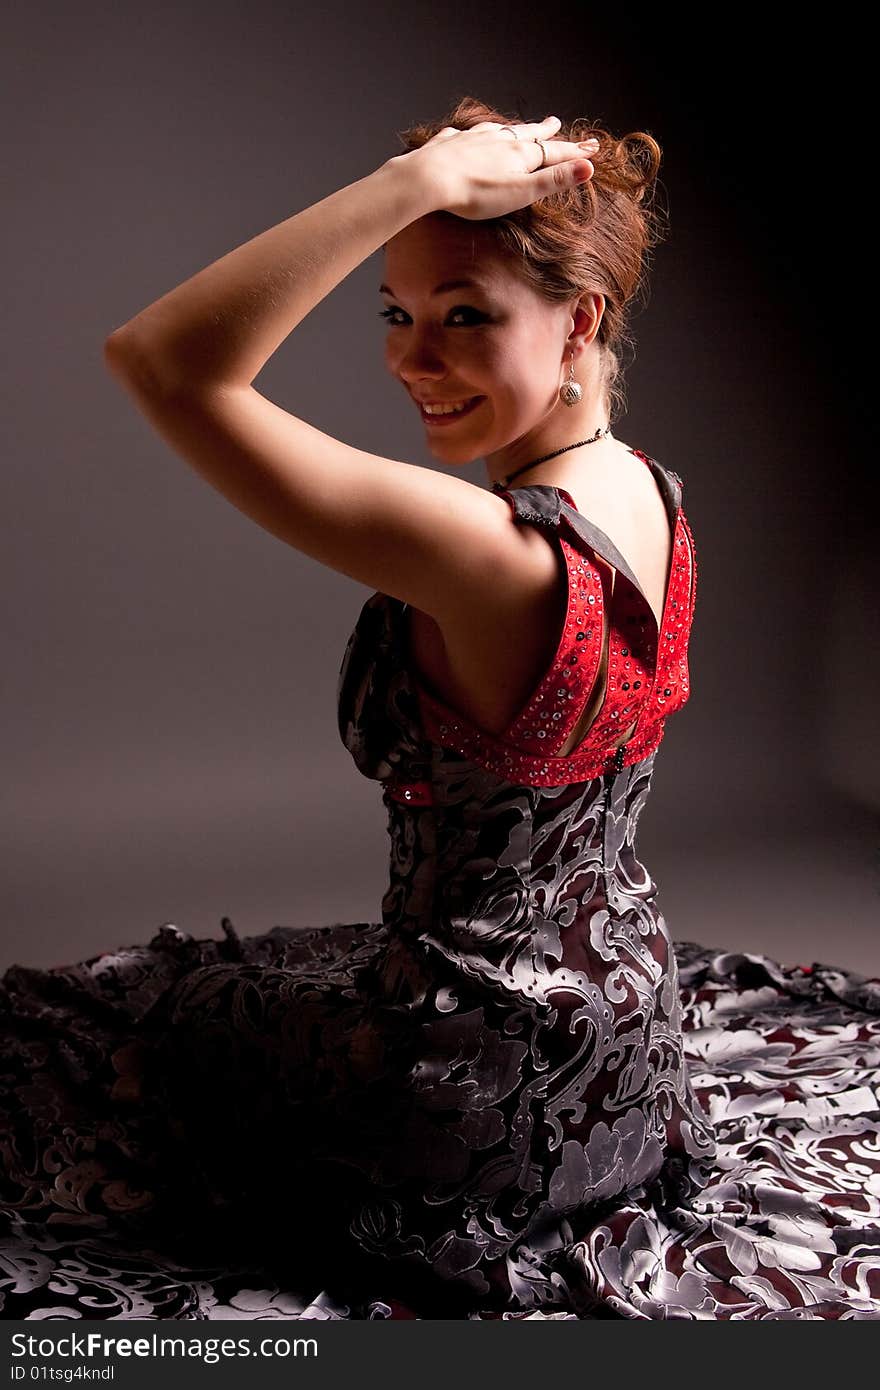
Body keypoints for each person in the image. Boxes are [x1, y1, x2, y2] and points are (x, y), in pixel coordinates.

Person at [2, 97, 878, 1322]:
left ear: (579, 321)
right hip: (625, 1046)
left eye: (466, 317)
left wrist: (400, 189)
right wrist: (429, 200)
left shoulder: (482, 547)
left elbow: (161, 361)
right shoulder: (650, 492)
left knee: (90, 1037)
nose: (414, 361)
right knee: (207, 990)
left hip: (463, 1100)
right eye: (397, 314)